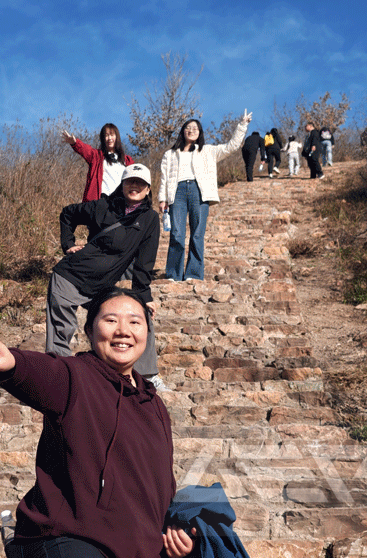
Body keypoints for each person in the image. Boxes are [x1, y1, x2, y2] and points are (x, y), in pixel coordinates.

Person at [0, 289, 215, 558]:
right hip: (73, 538)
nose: (123, 330)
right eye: (110, 320)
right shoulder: (76, 376)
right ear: (90, 331)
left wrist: (174, 530)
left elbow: (160, 484)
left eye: (135, 321)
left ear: (147, 333)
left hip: (134, 551)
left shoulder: (154, 406)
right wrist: (11, 363)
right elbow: (42, 373)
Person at [47, 163, 168, 390]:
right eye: (130, 181)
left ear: (148, 188)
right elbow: (67, 214)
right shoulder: (103, 206)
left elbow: (145, 261)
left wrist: (144, 294)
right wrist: (68, 244)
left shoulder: (150, 219)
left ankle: (147, 376)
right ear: (122, 184)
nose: (135, 186)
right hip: (70, 277)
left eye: (140, 183)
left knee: (139, 316)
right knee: (61, 328)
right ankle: (59, 378)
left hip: (102, 286)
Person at [158, 112, 252, 282]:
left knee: (197, 234)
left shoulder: (208, 150)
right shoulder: (169, 154)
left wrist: (242, 125)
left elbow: (231, 146)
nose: (191, 130)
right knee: (177, 234)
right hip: (176, 192)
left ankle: (193, 274)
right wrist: (162, 198)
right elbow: (164, 178)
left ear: (200, 132)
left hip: (199, 191)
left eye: (195, 128)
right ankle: (173, 275)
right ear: (183, 131)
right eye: (188, 127)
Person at [61, 124, 134, 202]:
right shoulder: (97, 156)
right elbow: (85, 150)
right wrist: (75, 143)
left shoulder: (127, 160)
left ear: (117, 137)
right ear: (103, 139)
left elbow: (134, 177)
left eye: (112, 135)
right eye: (106, 135)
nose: (109, 138)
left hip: (121, 201)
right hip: (102, 200)